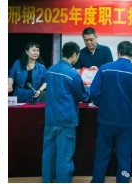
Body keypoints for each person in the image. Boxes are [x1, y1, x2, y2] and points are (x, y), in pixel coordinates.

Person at [89, 41, 132, 183]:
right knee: (124, 157)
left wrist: (101, 104)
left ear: (118, 52)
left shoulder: (104, 69)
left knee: (101, 155)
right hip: (126, 121)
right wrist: (131, 110)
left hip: (105, 119)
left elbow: (94, 92)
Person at [42, 41, 90, 183]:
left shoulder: (50, 70)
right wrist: (88, 89)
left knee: (48, 153)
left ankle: (46, 180)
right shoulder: (73, 74)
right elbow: (82, 96)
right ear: (75, 55)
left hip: (50, 118)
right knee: (64, 155)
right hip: (66, 120)